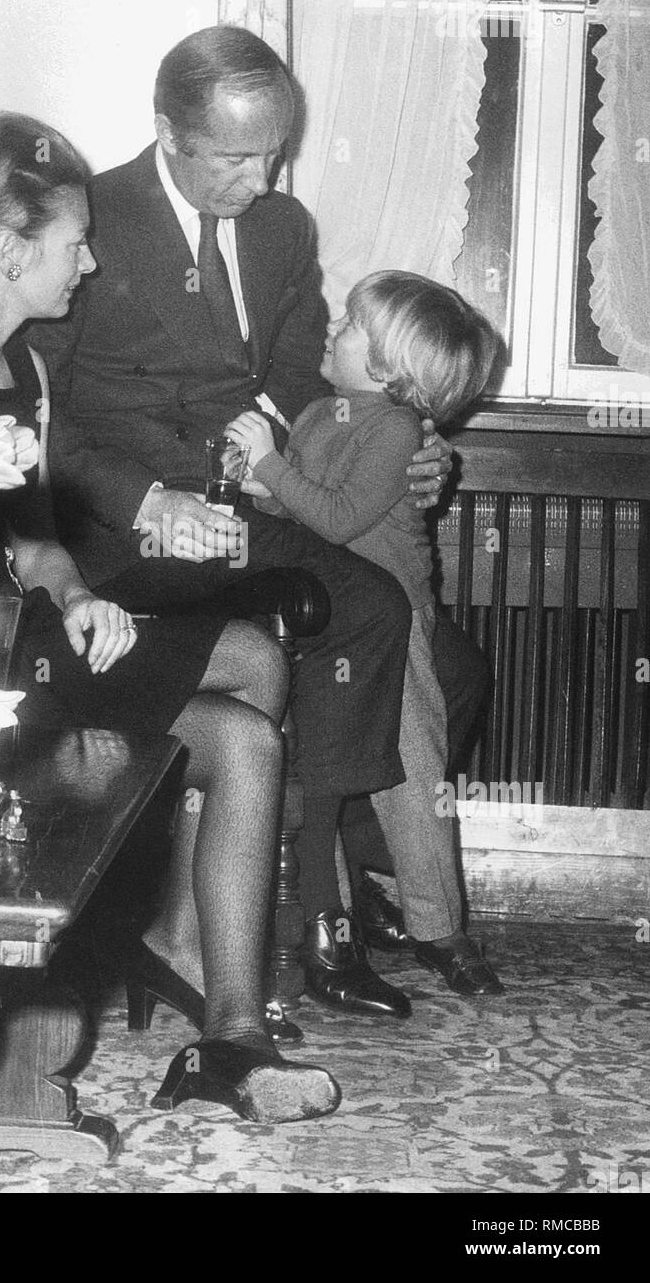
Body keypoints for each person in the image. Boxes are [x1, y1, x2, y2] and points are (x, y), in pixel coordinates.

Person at [0, 109, 340, 1125]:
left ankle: (228, 1038)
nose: (93, 261)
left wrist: (77, 594)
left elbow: (32, 541)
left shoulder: (23, 371)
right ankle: (160, 940)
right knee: (239, 697)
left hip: (23, 656)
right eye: (74, 242)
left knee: (241, 715)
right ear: (12, 253)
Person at [16, 25, 476, 1022]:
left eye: (271, 152)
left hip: (249, 504)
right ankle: (289, 913)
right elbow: (44, 418)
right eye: (234, 156)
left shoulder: (283, 229)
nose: (259, 178)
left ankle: (323, 907)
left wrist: (401, 448)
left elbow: (313, 377)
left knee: (376, 613)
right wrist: (147, 501)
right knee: (310, 644)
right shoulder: (89, 221)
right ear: (169, 133)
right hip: (123, 528)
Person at [225, 271, 505, 995]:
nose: (334, 328)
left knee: (412, 769)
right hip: (331, 612)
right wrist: (260, 483)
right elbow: (305, 507)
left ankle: (440, 927)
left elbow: (342, 517)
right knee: (329, 760)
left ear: (389, 367)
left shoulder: (396, 427)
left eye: (351, 325)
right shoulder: (325, 411)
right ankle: (335, 927)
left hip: (395, 621)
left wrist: (269, 464)